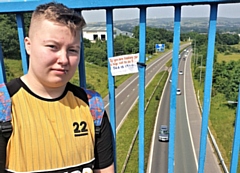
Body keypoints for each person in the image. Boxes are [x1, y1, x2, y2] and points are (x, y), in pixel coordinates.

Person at [1, 2, 114, 173]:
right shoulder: (5, 106)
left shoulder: (93, 106)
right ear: (28, 45)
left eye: (73, 50)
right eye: (52, 47)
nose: (64, 59)